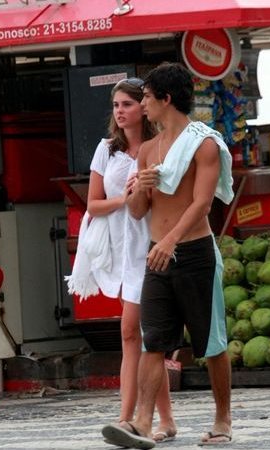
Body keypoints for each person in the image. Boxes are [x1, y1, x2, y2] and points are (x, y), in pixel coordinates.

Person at [102, 63, 235, 449]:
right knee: (153, 341)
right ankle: (142, 423)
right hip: (155, 255)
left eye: (146, 97)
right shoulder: (145, 150)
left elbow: (202, 203)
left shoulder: (204, 143)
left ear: (166, 98)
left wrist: (171, 241)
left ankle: (223, 420)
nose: (142, 104)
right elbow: (139, 211)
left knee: (211, 343)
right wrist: (140, 189)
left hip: (194, 252)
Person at [87, 78, 176, 445]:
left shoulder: (160, 148)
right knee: (140, 335)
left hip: (151, 245)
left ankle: (127, 418)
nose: (119, 111)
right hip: (123, 247)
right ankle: (162, 420)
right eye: (115, 105)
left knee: (138, 333)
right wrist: (125, 200)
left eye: (126, 104)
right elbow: (92, 204)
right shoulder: (106, 149)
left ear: (145, 106)